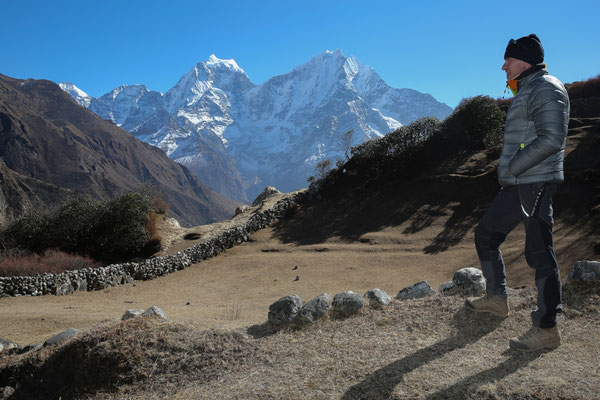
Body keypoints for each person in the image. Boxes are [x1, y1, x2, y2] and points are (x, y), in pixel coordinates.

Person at [464, 34, 570, 352]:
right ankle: (497, 300)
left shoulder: (547, 87)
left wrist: (512, 168)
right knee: (486, 234)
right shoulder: (528, 88)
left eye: (507, 60)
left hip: (534, 182)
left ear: (522, 60)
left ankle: (547, 329)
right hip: (519, 184)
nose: (503, 66)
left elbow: (552, 138)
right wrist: (512, 174)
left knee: (539, 253)